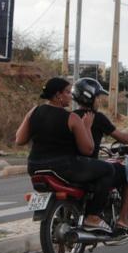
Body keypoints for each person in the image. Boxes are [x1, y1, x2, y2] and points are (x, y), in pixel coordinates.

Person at [15, 77, 114, 233]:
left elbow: (19, 140)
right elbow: (87, 150)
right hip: (63, 167)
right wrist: (86, 127)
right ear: (58, 95)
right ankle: (93, 216)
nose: (70, 96)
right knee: (109, 170)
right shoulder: (71, 118)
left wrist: (30, 120)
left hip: (35, 167)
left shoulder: (33, 112)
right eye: (67, 92)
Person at [71, 77, 128, 233]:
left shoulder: (71, 116)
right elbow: (122, 137)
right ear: (90, 97)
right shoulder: (97, 117)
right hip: (90, 167)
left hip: (74, 166)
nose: (99, 101)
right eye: (98, 97)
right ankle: (122, 220)